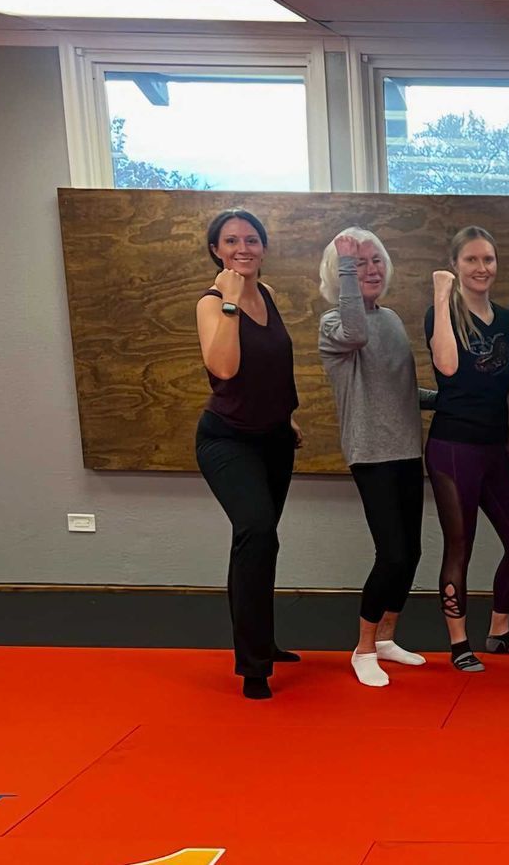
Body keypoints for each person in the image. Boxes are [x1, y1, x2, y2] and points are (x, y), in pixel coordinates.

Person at [193, 208, 301, 700]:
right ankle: (252, 665)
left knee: (261, 540)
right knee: (255, 530)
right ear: (216, 249)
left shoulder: (271, 296)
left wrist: (288, 417)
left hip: (274, 439)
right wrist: (232, 303)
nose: (243, 248)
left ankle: (264, 639)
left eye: (252, 240)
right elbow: (226, 368)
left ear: (263, 247)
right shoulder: (211, 303)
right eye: (232, 240)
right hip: (226, 439)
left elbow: (277, 366)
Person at [425, 226, 509, 671]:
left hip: (495, 449)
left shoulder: (505, 316)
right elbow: (448, 366)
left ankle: (499, 631)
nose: (481, 268)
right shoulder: (441, 312)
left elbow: (508, 388)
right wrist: (441, 296)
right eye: (471, 260)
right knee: (460, 545)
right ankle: (459, 643)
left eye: (488, 260)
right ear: (455, 265)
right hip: (453, 448)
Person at [320, 228, 432, 688]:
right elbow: (355, 331)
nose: (370, 270)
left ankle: (386, 637)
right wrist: (345, 267)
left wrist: (454, 399)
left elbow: (403, 391)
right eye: (357, 263)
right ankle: (363, 647)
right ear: (339, 272)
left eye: (375, 261)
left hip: (407, 448)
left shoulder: (392, 320)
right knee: (391, 554)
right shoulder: (334, 324)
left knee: (412, 552)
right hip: (371, 454)